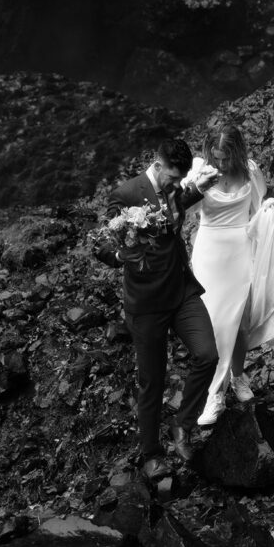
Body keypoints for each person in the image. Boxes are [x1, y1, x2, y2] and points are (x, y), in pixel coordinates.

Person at [95, 138, 219, 481]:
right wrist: (119, 255)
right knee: (152, 382)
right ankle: (151, 454)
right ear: (157, 164)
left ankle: (183, 425)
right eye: (172, 177)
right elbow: (101, 241)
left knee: (208, 354)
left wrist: (197, 189)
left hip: (180, 291)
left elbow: (174, 205)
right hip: (146, 304)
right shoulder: (126, 194)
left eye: (180, 179)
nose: (175, 184)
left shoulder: (174, 186)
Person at [183, 123, 274, 427]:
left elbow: (255, 214)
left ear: (237, 153)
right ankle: (214, 395)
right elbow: (185, 210)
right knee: (217, 324)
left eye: (226, 158)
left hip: (241, 253)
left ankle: (238, 376)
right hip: (211, 255)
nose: (221, 164)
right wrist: (197, 186)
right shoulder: (200, 172)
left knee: (241, 323)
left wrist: (268, 210)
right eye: (216, 158)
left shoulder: (250, 172)